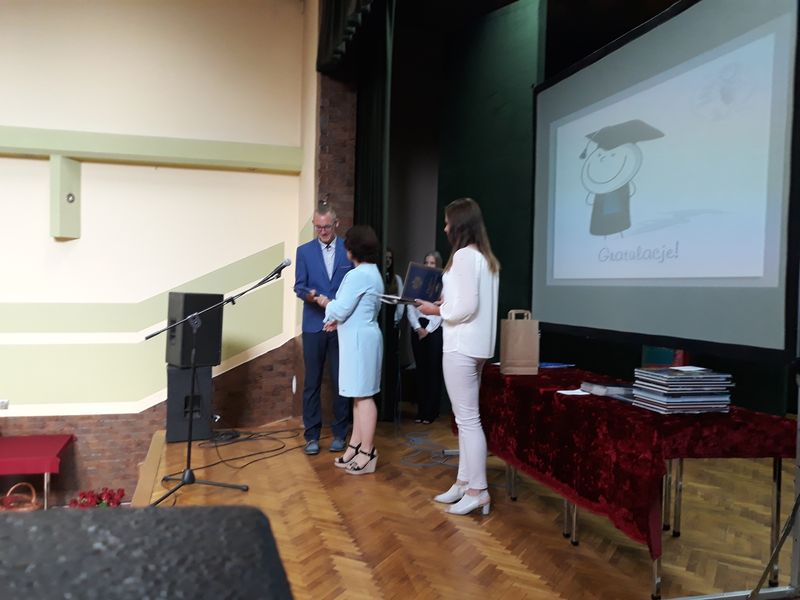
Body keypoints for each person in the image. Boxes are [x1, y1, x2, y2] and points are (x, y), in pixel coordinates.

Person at [417, 198, 500, 515]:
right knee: (467, 419)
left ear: (460, 225)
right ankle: (464, 482)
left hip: (460, 346)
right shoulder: (485, 258)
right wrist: (446, 301)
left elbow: (465, 307)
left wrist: (435, 310)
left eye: (448, 222)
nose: (445, 228)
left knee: (467, 420)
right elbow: (468, 301)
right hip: (476, 348)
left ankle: (478, 490)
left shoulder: (464, 256)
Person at [314, 225, 384, 474]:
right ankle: (355, 446)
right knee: (358, 395)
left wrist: (326, 303)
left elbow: (341, 308)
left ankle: (367, 451)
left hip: (359, 341)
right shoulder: (371, 272)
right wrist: (337, 319)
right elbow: (356, 308)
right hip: (361, 336)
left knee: (364, 397)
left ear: (351, 250)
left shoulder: (358, 275)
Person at [294, 203, 353, 455]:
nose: (322, 231)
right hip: (314, 325)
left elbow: (352, 286)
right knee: (312, 383)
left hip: (341, 325)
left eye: (327, 227)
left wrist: (337, 310)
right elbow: (299, 287)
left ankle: (340, 434)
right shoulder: (304, 252)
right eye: (318, 227)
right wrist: (312, 296)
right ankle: (312, 436)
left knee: (342, 381)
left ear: (336, 224)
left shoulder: (348, 250)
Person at [406, 251, 444, 424]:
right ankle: (421, 412)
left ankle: (431, 412)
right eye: (427, 262)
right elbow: (410, 306)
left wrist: (427, 329)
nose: (429, 266)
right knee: (420, 370)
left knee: (433, 371)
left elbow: (442, 310)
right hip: (417, 329)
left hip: (434, 330)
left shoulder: (443, 284)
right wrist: (417, 327)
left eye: (432, 263)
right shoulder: (417, 281)